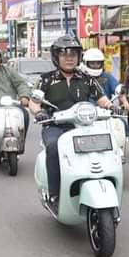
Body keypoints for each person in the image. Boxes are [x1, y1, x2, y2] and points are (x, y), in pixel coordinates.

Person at [29, 35, 113, 207]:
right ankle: (55, 193)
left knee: (108, 144)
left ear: (79, 57)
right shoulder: (46, 79)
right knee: (53, 147)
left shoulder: (87, 78)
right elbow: (33, 102)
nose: (69, 58)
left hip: (84, 126)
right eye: (64, 54)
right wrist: (39, 113)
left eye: (73, 54)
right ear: (56, 57)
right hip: (55, 126)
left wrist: (113, 107)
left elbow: (102, 99)